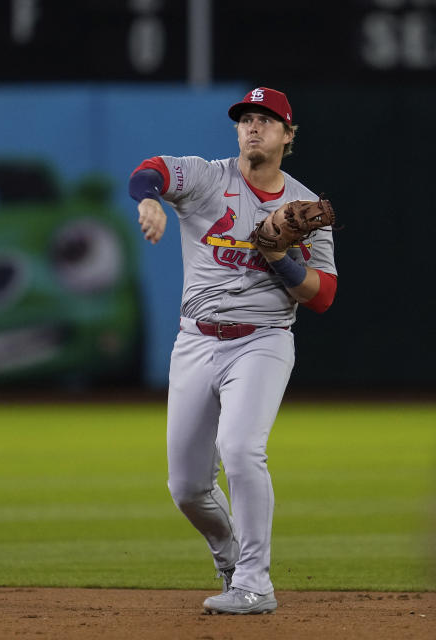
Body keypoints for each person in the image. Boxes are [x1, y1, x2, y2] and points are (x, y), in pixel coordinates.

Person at [127, 87, 337, 614]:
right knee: (187, 487)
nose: (253, 126)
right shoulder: (206, 178)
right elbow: (147, 170)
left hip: (262, 341)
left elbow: (323, 297)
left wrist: (281, 258)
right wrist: (151, 199)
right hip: (196, 340)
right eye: (246, 118)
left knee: (242, 450)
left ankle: (255, 583)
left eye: (267, 120)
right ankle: (230, 559)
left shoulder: (304, 207)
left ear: (288, 136)